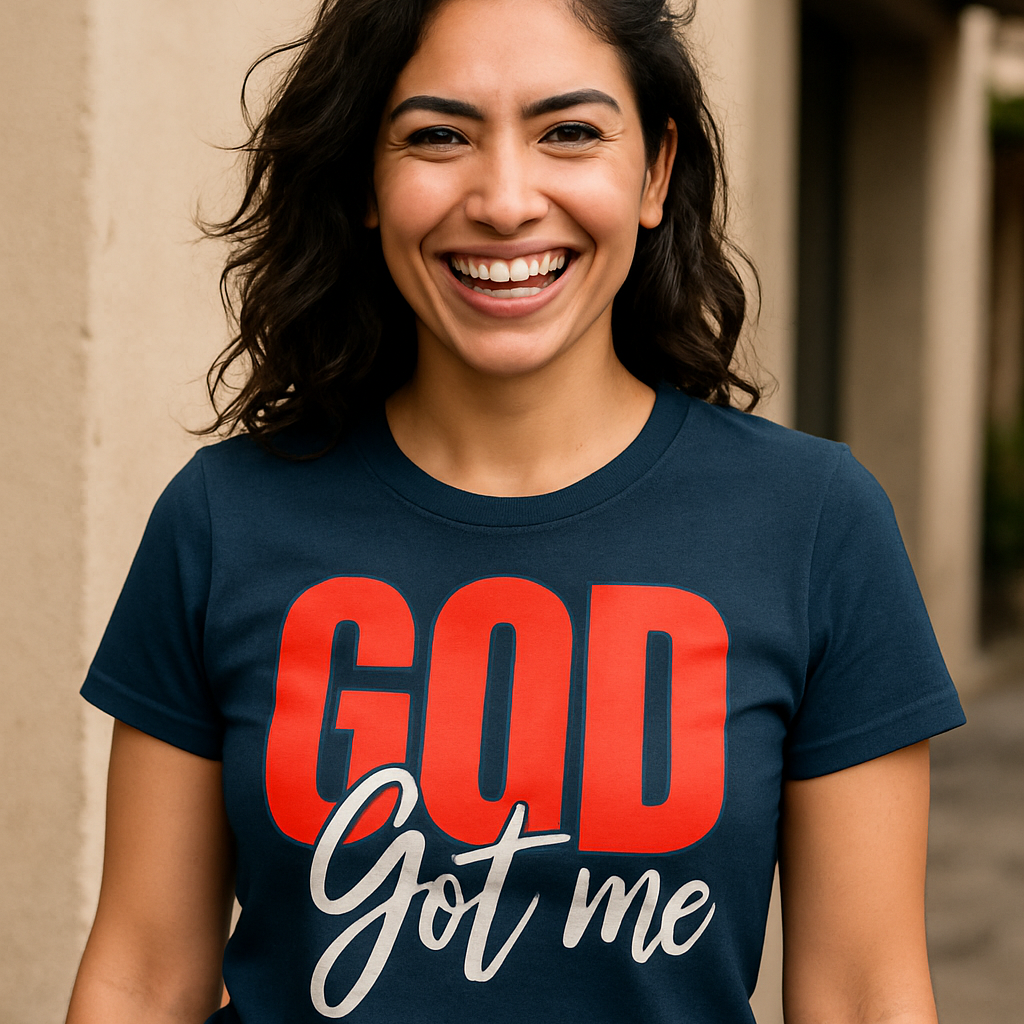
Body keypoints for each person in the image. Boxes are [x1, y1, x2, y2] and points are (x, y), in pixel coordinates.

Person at [65, 0, 965, 1021]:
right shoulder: (223, 519)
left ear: (655, 173)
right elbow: (142, 975)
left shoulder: (812, 524)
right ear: (367, 177)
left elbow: (861, 994)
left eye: (569, 133)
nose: (502, 200)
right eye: (436, 136)